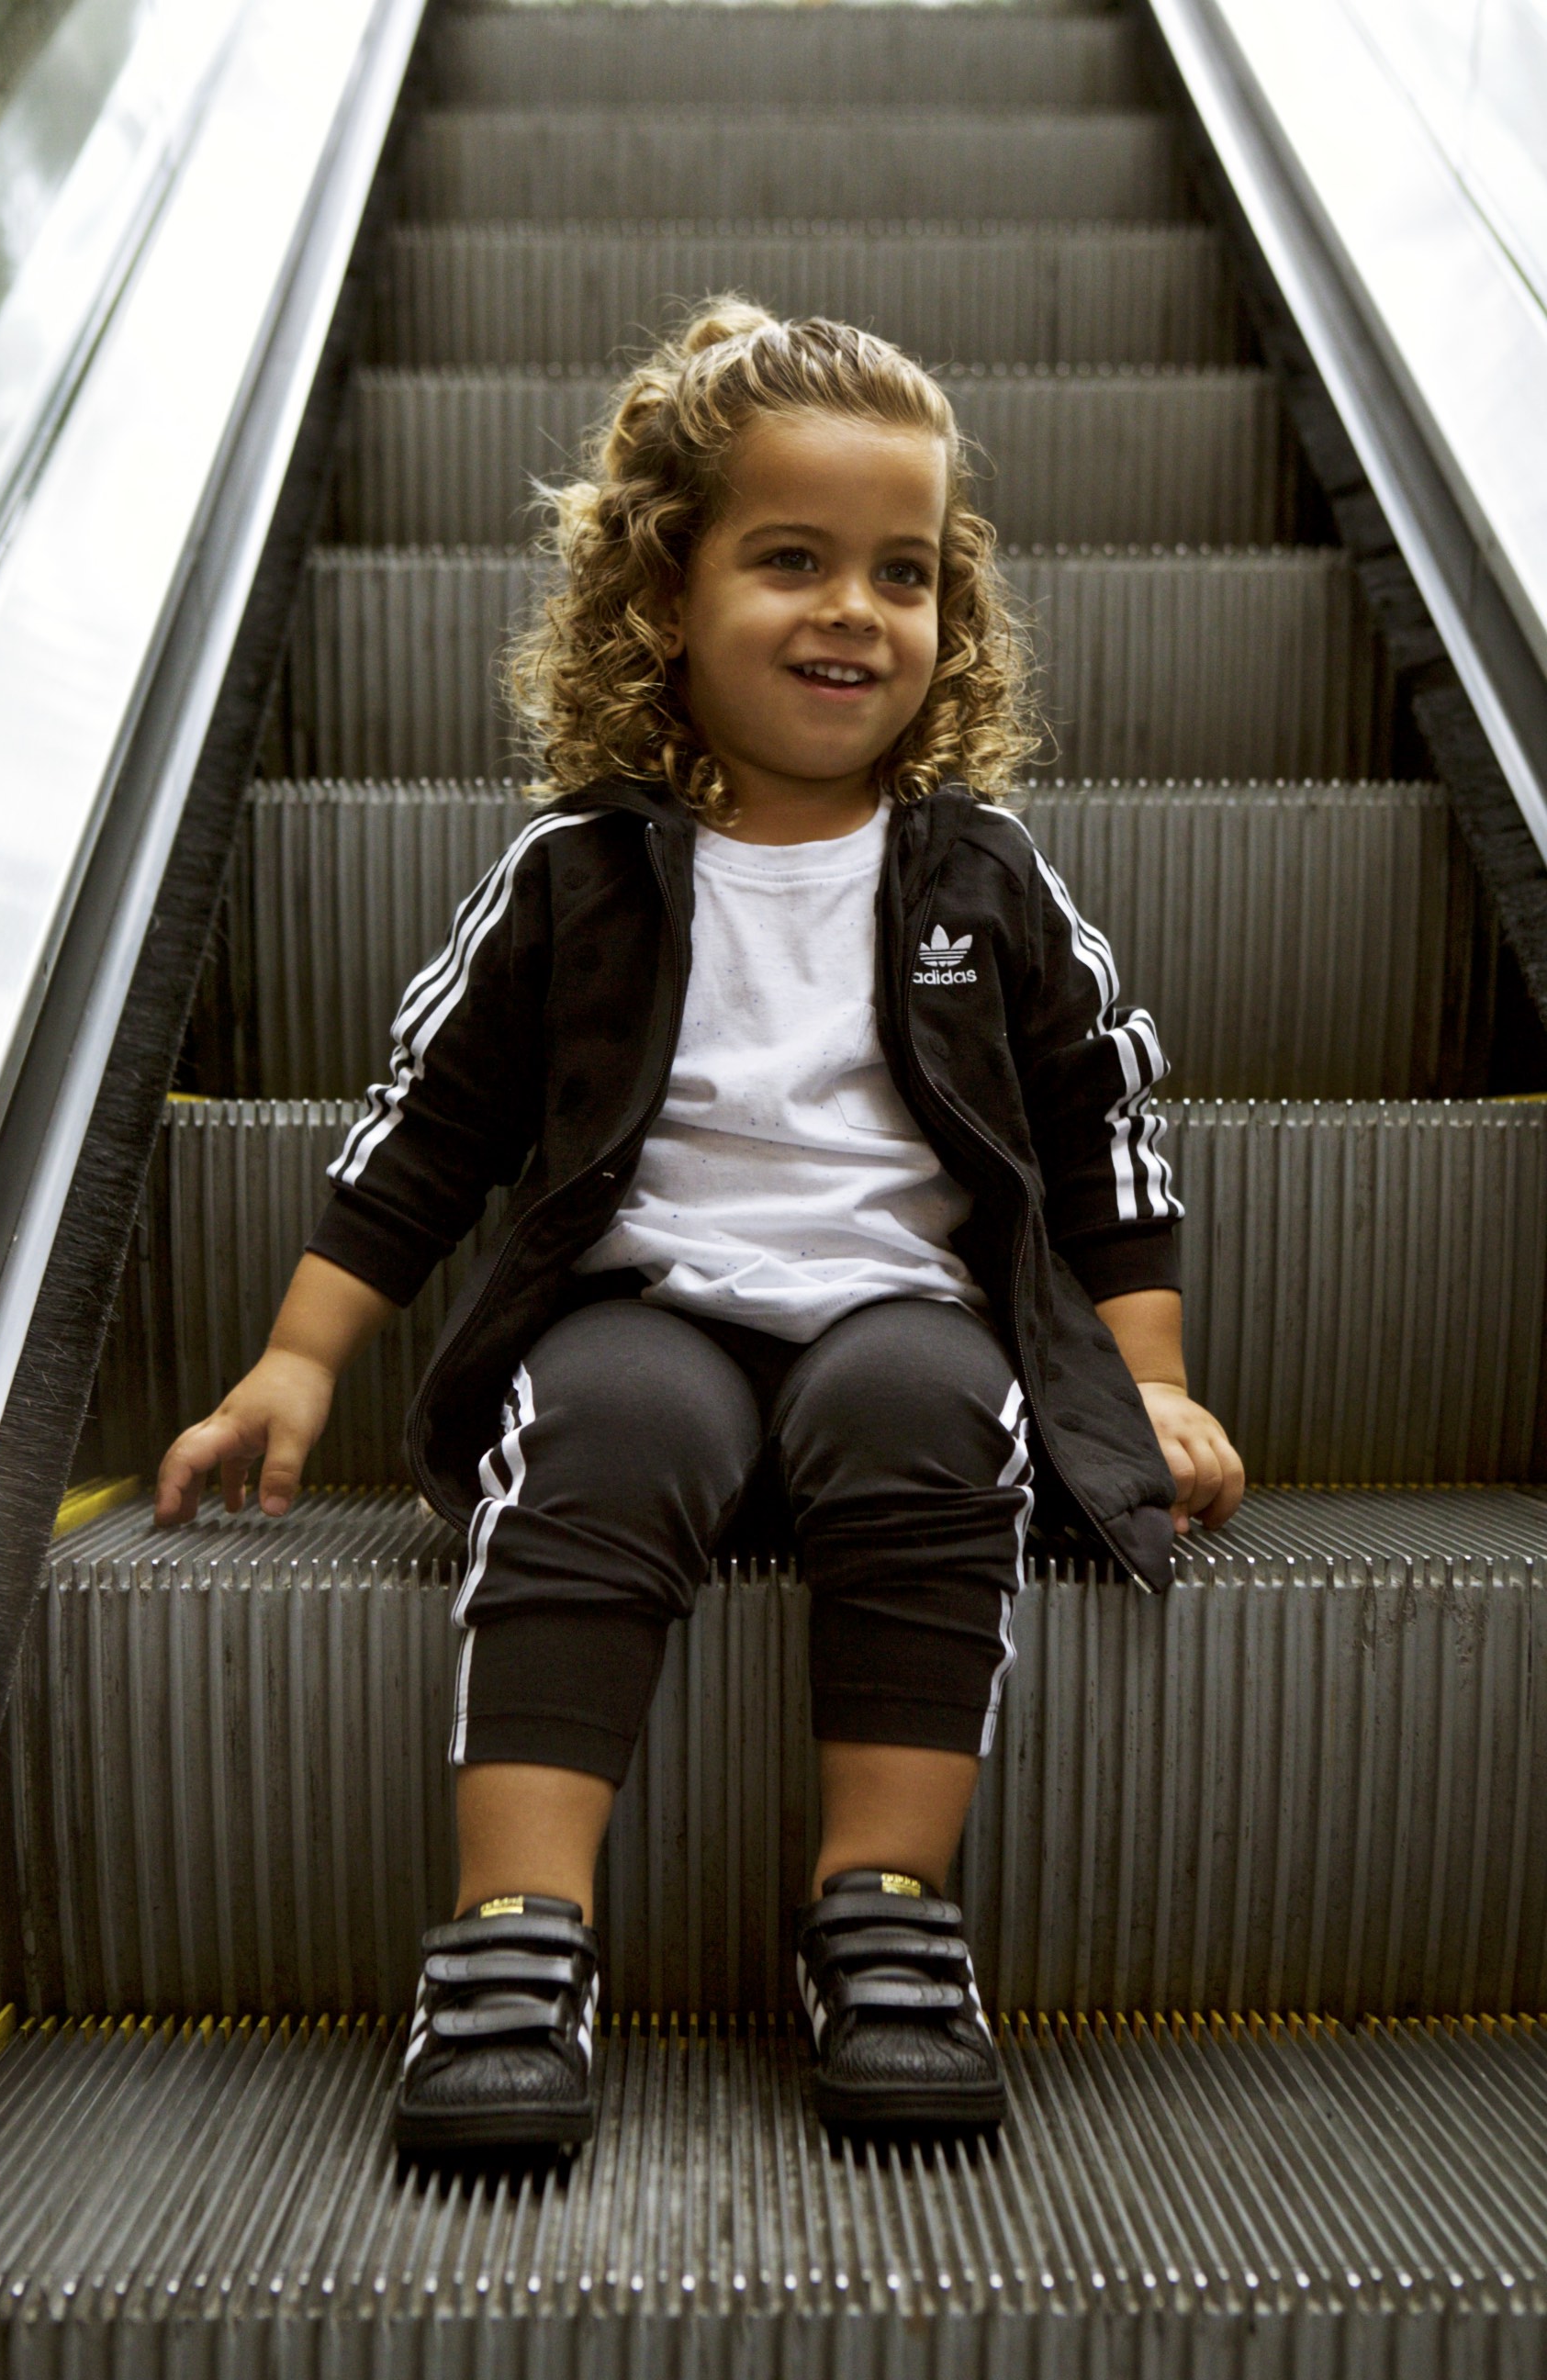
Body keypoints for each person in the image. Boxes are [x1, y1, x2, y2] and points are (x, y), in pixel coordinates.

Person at [155, 299, 1244, 2150]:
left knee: (929, 1414)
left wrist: (1146, 1378)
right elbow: (427, 1129)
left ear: (947, 619)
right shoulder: (579, 873)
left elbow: (1099, 1127)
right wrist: (296, 1355)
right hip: (645, 1312)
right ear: (663, 597)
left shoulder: (982, 873)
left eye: (903, 573)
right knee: (605, 1422)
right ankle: (520, 1931)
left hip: (902, 1314)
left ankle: (885, 1913)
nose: (854, 610)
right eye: (792, 560)